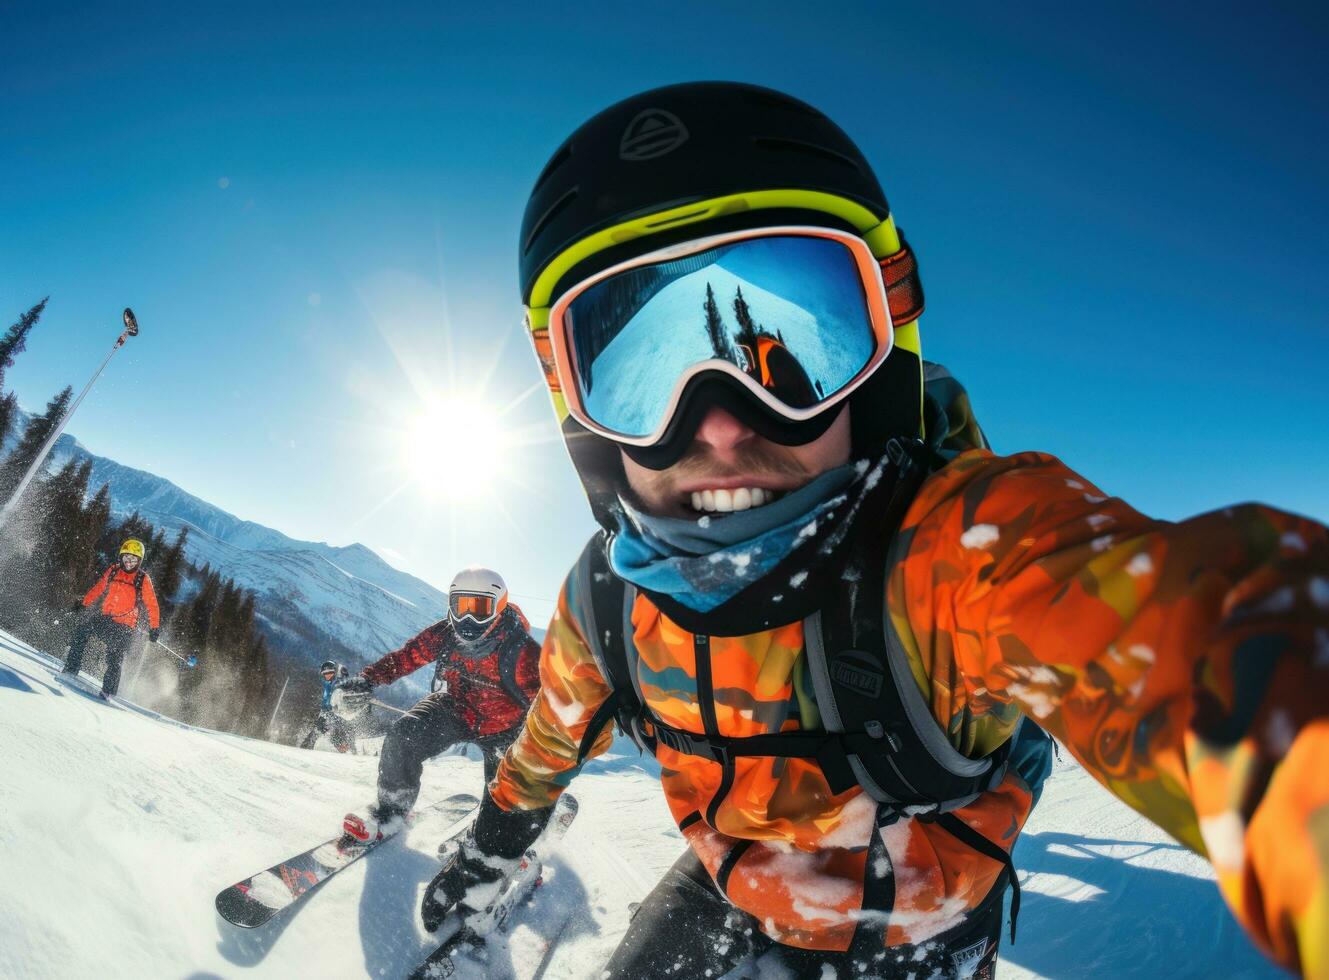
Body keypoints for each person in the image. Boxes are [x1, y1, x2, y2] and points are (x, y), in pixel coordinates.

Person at [420, 82, 1329, 978]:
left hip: (914, 930)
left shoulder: (952, 559)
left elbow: (1181, 630)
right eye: (632, 381)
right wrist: (491, 844)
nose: (722, 425)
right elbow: (549, 735)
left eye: (796, 361)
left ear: (882, 359)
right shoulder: (607, 598)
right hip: (733, 888)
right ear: (577, 416)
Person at [337, 567, 540, 844]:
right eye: (461, 605)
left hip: (504, 727)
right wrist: (368, 679)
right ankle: (391, 811)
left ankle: (511, 841)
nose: (468, 618)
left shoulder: (522, 652)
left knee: (504, 795)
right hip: (455, 709)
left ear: (499, 607)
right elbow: (407, 657)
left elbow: (548, 701)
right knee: (403, 738)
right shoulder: (445, 633)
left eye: (479, 608)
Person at [62, 537, 161, 700]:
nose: (129, 562)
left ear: (139, 561)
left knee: (115, 657)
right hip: (107, 620)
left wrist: (155, 627)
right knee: (82, 631)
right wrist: (84, 603)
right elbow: (99, 587)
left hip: (125, 627)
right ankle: (71, 670)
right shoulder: (114, 570)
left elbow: (152, 605)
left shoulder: (142, 579)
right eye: (126, 558)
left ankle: (108, 692)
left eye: (133, 560)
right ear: (121, 557)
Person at [299, 660, 357, 753]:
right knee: (318, 731)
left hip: (338, 714)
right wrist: (323, 711)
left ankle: (348, 750)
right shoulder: (327, 683)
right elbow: (326, 700)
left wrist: (344, 673)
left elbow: (346, 683)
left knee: (336, 733)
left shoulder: (338, 682)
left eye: (330, 673)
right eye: (325, 674)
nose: (328, 675)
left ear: (334, 672)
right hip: (327, 713)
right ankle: (305, 748)